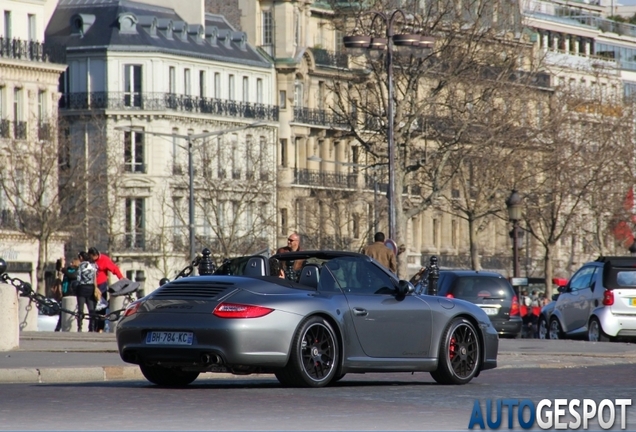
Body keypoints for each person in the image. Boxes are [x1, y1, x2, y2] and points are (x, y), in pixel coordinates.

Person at [88, 247, 126, 332]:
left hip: (101, 285)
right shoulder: (89, 261)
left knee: (101, 307)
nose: (93, 259)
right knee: (92, 307)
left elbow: (114, 268)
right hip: (91, 285)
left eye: (93, 257)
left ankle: (100, 327)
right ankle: (92, 327)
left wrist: (121, 278)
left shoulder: (104, 259)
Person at [75, 251, 98, 332]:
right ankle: (91, 327)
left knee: (80, 309)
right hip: (91, 288)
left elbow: (78, 278)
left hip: (82, 288)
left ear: (81, 257)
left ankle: (80, 327)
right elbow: (95, 277)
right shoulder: (93, 265)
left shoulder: (81, 265)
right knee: (91, 309)